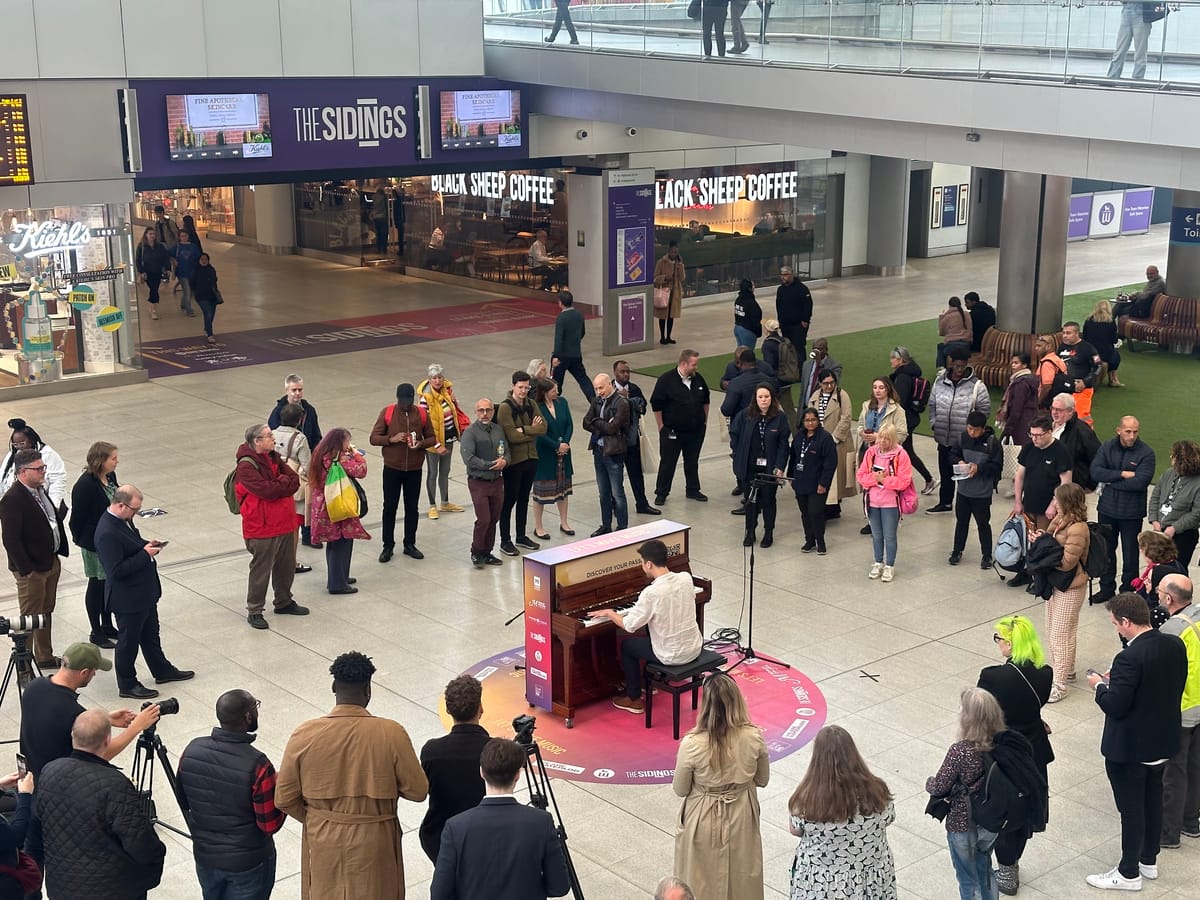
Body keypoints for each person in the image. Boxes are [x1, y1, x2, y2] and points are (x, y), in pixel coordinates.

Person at [276, 651, 429, 900]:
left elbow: (283, 797)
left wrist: (321, 818)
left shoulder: (304, 734)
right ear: (368, 690)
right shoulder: (391, 732)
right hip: (375, 838)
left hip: (323, 835)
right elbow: (418, 791)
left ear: (334, 686)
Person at [1086, 593, 1188, 891]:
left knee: (1131, 809)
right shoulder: (1173, 644)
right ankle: (1148, 859)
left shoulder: (1128, 657)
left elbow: (1115, 705)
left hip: (1131, 747)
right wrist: (1118, 679)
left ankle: (1128, 872)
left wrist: (1100, 686)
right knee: (1152, 800)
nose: (1116, 628)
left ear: (1127, 622)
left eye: (1116, 623)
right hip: (1162, 739)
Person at [27, 710, 166, 900]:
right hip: (113, 890)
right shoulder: (114, 784)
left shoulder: (50, 771)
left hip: (62, 888)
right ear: (107, 740)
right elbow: (141, 843)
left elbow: (35, 833)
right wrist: (156, 858)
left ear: (72, 736)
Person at [177, 689, 286, 900]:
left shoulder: (191, 750)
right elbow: (270, 825)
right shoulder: (259, 765)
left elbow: (183, 800)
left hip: (206, 858)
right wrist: (280, 790)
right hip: (248, 863)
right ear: (247, 717)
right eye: (256, 707)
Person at [431, 737, 570, 900]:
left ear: (481, 772)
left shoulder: (456, 827)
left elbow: (439, 894)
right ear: (518, 774)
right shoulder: (541, 822)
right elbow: (559, 887)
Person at [672, 672, 769, 899]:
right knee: (743, 876)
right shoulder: (753, 736)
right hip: (742, 811)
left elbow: (681, 789)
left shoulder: (692, 743)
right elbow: (763, 780)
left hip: (702, 814)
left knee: (698, 878)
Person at [977, 616, 1054, 895]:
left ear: (1009, 643)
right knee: (1022, 806)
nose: (997, 644)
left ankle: (1004, 867)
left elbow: (982, 713)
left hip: (1002, 752)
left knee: (1001, 805)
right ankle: (1011, 865)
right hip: (1033, 748)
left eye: (998, 639)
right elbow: (1032, 708)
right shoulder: (1045, 673)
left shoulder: (992, 676)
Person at [95, 484, 194, 699]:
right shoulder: (107, 532)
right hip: (127, 598)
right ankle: (127, 684)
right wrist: (145, 555)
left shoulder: (122, 520)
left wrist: (145, 544)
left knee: (150, 635)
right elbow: (116, 570)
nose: (137, 513)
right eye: (134, 509)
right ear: (121, 505)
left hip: (143, 593)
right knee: (128, 642)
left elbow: (130, 544)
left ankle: (162, 670)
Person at [589, 539, 703, 714]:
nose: (642, 566)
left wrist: (611, 613)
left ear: (648, 564)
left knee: (628, 646)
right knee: (652, 629)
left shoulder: (651, 592)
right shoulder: (685, 578)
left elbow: (629, 625)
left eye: (642, 562)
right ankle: (650, 680)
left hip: (672, 654)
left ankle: (633, 698)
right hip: (694, 647)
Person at [19, 642, 159, 779]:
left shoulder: (33, 687)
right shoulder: (73, 712)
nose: (94, 675)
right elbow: (101, 754)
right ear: (84, 672)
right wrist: (136, 727)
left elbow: (52, 721)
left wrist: (106, 719)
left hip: (30, 778)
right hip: (59, 785)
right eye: (94, 671)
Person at [787, 724, 896, 900]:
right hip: (869, 879)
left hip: (819, 883)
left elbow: (795, 830)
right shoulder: (878, 792)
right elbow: (889, 817)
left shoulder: (806, 800)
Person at [926, 688, 1005, 900]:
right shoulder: (1002, 744)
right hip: (991, 819)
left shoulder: (960, 751)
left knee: (967, 878)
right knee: (985, 867)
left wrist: (929, 783)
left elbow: (940, 786)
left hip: (963, 822)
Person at [236, 424, 309, 629]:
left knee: (286, 565)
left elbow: (294, 480)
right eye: (269, 436)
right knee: (261, 569)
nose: (273, 439)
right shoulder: (246, 466)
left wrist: (280, 484)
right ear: (256, 441)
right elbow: (266, 491)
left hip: (284, 521)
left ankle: (284, 601)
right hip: (261, 526)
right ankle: (255, 610)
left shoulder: (273, 456)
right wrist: (281, 485)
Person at [0, 449, 68, 668]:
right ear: (22, 471)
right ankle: (24, 664)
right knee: (29, 618)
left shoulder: (39, 490)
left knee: (46, 611)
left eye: (43, 467)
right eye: (38, 469)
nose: (43, 472)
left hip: (49, 561)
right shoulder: (13, 499)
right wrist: (27, 571)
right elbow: (11, 540)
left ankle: (45, 656)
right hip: (32, 570)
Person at [419, 675, 491, 863]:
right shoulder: (494, 751)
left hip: (440, 837)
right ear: (480, 709)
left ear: (448, 710)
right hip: (484, 839)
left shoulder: (431, 750)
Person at [1156, 574, 1200, 850]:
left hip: (1182, 710)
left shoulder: (1172, 629)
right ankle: (1191, 822)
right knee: (1196, 767)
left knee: (1174, 772)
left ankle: (1169, 833)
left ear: (1169, 598)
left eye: (1159, 592)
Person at [1036, 483, 1091, 702]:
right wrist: (1041, 539)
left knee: (1060, 634)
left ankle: (1059, 683)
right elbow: (1050, 539)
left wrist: (1044, 556)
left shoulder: (1078, 528)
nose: (1054, 503)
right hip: (1056, 583)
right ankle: (1068, 669)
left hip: (1070, 585)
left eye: (1057, 499)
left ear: (1067, 502)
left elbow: (1068, 562)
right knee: (1058, 629)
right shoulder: (1060, 519)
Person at [1091, 416, 1155, 603]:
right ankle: (1106, 587)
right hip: (1107, 510)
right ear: (1119, 430)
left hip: (1131, 513)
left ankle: (1128, 590)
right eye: (1128, 431)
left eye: (1135, 431)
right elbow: (1095, 471)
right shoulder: (1107, 447)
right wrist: (1121, 474)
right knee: (1106, 550)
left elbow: (1140, 482)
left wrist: (1110, 481)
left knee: (1130, 554)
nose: (1132, 436)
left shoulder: (1146, 453)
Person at [371, 383, 435, 564]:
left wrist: (420, 444)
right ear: (397, 398)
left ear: (413, 398)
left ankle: (409, 543)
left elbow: (432, 437)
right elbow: (374, 438)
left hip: (414, 469)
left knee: (412, 508)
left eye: (408, 400)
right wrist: (391, 439)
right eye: (402, 400)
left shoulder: (421, 414)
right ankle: (387, 545)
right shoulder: (388, 412)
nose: (405, 404)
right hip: (392, 468)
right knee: (389, 507)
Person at [1008, 414, 1072, 592]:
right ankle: (1025, 571)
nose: (1034, 439)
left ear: (1049, 432)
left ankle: (1042, 578)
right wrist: (1017, 501)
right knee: (1027, 541)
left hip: (1047, 509)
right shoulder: (1029, 448)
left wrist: (1054, 504)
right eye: (1032, 435)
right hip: (1029, 505)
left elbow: (1065, 482)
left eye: (1038, 435)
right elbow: (1020, 475)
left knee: (1044, 543)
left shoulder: (1060, 451)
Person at [68, 441, 121, 648]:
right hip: (94, 543)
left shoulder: (110, 477)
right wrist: (85, 541)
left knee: (109, 583)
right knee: (97, 584)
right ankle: (96, 630)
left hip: (112, 540)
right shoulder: (85, 485)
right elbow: (77, 519)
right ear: (101, 460)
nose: (117, 462)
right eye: (113, 458)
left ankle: (107, 624)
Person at [926, 347, 990, 515]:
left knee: (963, 473)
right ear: (951, 364)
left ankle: (965, 504)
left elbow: (984, 409)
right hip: (943, 436)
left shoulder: (977, 386)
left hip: (964, 440)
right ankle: (945, 502)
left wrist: (971, 431)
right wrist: (934, 423)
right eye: (957, 366)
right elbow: (932, 404)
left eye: (963, 366)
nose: (960, 369)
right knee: (945, 472)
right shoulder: (940, 382)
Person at [308, 429, 370, 594]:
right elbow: (361, 470)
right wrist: (356, 454)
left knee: (334, 541)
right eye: (347, 442)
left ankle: (340, 576)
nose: (348, 445)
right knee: (341, 541)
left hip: (323, 503)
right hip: (338, 502)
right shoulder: (339, 458)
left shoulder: (319, 454)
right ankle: (337, 583)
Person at [731, 386, 790, 548]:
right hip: (749, 467)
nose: (764, 400)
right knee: (750, 501)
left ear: (772, 398)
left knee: (768, 500)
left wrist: (779, 465)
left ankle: (768, 532)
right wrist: (737, 454)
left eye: (766, 396)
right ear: (755, 399)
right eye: (760, 397)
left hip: (769, 468)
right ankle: (750, 531)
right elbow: (734, 434)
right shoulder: (745, 415)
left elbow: (783, 445)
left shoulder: (780, 418)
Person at [268, 374, 323, 548]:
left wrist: (317, 453)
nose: (297, 393)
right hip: (289, 465)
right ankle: (290, 537)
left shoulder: (309, 410)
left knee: (307, 500)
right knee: (295, 502)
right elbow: (272, 436)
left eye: (300, 389)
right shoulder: (278, 412)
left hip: (306, 458)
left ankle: (308, 535)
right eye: (294, 390)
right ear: (287, 390)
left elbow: (316, 434)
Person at [497, 371, 548, 557]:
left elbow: (543, 427)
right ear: (513, 386)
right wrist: (531, 432)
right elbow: (512, 436)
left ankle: (520, 535)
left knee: (524, 498)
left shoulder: (531, 403)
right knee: (509, 500)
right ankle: (505, 540)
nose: (523, 391)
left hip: (531, 458)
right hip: (514, 462)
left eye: (526, 388)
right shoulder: (505, 408)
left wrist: (525, 429)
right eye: (520, 387)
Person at [652, 349, 710, 506]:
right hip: (672, 432)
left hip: (695, 431)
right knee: (668, 463)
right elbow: (656, 404)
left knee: (692, 461)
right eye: (693, 364)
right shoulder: (666, 380)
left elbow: (706, 400)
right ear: (684, 364)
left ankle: (692, 489)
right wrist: (661, 426)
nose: (696, 368)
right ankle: (661, 492)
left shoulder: (698, 380)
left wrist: (704, 421)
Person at [856, 423, 911, 583]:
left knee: (889, 536)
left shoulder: (901, 455)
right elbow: (861, 475)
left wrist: (885, 480)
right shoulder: (871, 452)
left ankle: (890, 565)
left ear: (893, 439)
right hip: (872, 501)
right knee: (876, 535)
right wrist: (874, 479)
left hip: (890, 503)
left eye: (887, 439)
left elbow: (904, 481)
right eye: (881, 438)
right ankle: (878, 562)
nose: (883, 442)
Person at [948, 410, 1002, 569]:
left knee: (983, 524)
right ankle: (957, 551)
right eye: (969, 428)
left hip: (982, 493)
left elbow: (997, 466)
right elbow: (951, 454)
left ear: (983, 428)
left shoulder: (992, 443)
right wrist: (959, 461)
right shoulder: (962, 438)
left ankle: (986, 555)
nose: (972, 432)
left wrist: (979, 468)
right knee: (961, 522)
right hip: (963, 491)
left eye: (975, 430)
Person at [461, 398, 510, 568]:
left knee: (494, 518)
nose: (484, 413)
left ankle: (487, 552)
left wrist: (505, 461)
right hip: (478, 482)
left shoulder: (498, 430)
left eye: (488, 410)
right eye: (481, 410)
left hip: (497, 481)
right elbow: (468, 458)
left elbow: (506, 452)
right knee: (484, 518)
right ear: (476, 412)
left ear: (493, 412)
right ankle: (476, 551)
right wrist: (488, 465)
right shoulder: (470, 433)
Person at [856, 378, 908, 536]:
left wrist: (879, 437)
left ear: (888, 390)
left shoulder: (897, 410)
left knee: (885, 486)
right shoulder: (867, 406)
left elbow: (901, 433)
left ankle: (888, 517)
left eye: (881, 388)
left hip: (887, 455)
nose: (877, 391)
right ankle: (871, 519)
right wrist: (863, 433)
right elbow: (859, 425)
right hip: (868, 452)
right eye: (875, 387)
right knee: (869, 485)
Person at [417, 364, 469, 519]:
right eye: (434, 378)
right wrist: (436, 444)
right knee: (433, 473)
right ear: (429, 379)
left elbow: (453, 412)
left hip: (449, 437)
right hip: (433, 442)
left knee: (445, 471)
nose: (438, 381)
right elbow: (423, 424)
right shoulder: (425, 398)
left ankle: (445, 502)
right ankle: (432, 505)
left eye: (440, 377)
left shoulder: (447, 391)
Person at [583, 373, 630, 537]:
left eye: (601, 387)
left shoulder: (621, 403)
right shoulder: (596, 401)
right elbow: (585, 422)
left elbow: (613, 428)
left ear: (609, 385)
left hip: (614, 452)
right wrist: (601, 423)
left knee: (617, 492)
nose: (598, 391)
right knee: (603, 492)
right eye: (596, 388)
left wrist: (596, 422)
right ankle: (606, 524)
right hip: (599, 451)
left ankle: (622, 526)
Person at [613, 359, 661, 515]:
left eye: (628, 371)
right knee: (615, 476)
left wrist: (631, 401)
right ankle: (614, 505)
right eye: (622, 371)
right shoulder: (608, 389)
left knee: (636, 474)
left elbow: (643, 408)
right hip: (614, 441)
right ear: (615, 373)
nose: (626, 374)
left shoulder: (634, 389)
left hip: (632, 440)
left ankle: (642, 503)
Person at [786, 406, 835, 554]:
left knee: (816, 513)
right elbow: (793, 457)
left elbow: (831, 463)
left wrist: (823, 483)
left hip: (817, 484)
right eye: (807, 420)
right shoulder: (799, 437)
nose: (810, 423)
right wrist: (791, 476)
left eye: (813, 420)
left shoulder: (825, 438)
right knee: (805, 513)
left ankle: (820, 542)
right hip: (800, 481)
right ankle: (809, 540)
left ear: (818, 421)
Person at [888, 346, 936, 494]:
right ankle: (928, 479)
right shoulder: (909, 373)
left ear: (901, 360)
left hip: (904, 421)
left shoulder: (902, 377)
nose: (891, 361)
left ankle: (900, 484)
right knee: (907, 451)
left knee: (896, 452)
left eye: (894, 358)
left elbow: (899, 402)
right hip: (911, 418)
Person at [807, 371, 854, 520]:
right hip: (819, 442)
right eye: (826, 383)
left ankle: (831, 507)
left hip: (837, 443)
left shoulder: (842, 395)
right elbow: (809, 417)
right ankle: (829, 507)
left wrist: (833, 438)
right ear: (820, 383)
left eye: (832, 382)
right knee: (823, 475)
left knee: (835, 476)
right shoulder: (815, 397)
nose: (829, 386)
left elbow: (846, 418)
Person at [532, 378, 574, 539]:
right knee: (541, 493)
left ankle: (564, 522)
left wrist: (565, 443)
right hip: (546, 454)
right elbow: (539, 432)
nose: (557, 392)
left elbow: (569, 424)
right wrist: (557, 445)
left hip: (564, 453)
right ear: (544, 392)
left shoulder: (562, 402)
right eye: (553, 390)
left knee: (563, 490)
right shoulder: (537, 408)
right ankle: (539, 526)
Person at [273, 402, 312, 576]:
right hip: (293, 488)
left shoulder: (271, 434)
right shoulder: (300, 438)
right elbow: (307, 466)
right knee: (293, 527)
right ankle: (291, 562)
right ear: (300, 419)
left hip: (275, 485)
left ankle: (275, 559)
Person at [1149, 439, 1200, 569]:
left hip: (1183, 536)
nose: (1171, 457)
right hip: (1160, 530)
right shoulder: (1168, 473)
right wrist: (1154, 520)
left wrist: (1174, 528)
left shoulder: (1197, 483)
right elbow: (1155, 497)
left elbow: (1196, 514)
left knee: (1176, 571)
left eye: (1174, 455)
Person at [1, 419, 66, 504]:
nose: (19, 447)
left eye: (22, 443)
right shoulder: (12, 455)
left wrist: (53, 505)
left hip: (41, 503)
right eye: (15, 445)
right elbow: (2, 477)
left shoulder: (48, 454)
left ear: (31, 440)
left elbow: (58, 481)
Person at [551, 290, 595, 402]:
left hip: (562, 356)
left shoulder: (561, 318)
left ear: (560, 302)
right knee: (582, 378)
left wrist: (556, 355)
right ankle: (593, 400)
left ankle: (555, 401)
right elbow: (582, 332)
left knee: (557, 381)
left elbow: (558, 338)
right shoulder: (579, 314)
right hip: (576, 354)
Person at [1057, 321, 1103, 425]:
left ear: (1077, 333)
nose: (1065, 336)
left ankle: (1087, 438)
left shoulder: (1088, 348)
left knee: (1082, 418)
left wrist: (1085, 382)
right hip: (1065, 387)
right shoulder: (1061, 347)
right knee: (1062, 417)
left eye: (1068, 333)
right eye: (1063, 333)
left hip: (1081, 389)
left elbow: (1099, 366)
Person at [1131, 531, 1186, 608]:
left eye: (1141, 549)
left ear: (1150, 552)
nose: (1140, 551)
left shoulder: (1159, 572)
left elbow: (1153, 600)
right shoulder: (1174, 563)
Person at [1106, 1, 1159, 79]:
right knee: (1120, 49)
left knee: (1140, 51)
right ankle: (1112, 76)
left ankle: (1137, 78)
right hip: (1126, 9)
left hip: (1141, 12)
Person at [996, 352, 1039, 447]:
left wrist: (1009, 428)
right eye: (1012, 363)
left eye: (1016, 363)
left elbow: (1017, 407)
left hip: (1020, 423)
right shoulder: (1030, 379)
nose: (1013, 365)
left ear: (1024, 365)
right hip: (1030, 418)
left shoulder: (1021, 382)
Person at [760, 320, 797, 430]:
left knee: (768, 409)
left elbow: (769, 365)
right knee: (789, 410)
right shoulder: (784, 341)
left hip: (775, 382)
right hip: (787, 378)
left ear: (767, 330)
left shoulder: (768, 345)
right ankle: (797, 434)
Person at [1084, 299, 1124, 387]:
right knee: (1115, 356)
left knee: (1112, 355)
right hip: (1104, 354)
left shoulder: (1088, 320)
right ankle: (1113, 379)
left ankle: (1112, 379)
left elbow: (1085, 337)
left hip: (1091, 352)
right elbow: (1113, 340)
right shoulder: (1110, 322)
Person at [775, 265, 812, 356]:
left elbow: (808, 305)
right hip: (785, 324)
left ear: (792, 275)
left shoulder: (802, 289)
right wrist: (780, 320)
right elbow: (778, 305)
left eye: (786, 274)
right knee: (787, 347)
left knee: (799, 347)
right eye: (781, 275)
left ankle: (801, 367)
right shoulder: (780, 290)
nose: (783, 277)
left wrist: (805, 320)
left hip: (798, 325)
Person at [653, 241, 685, 345]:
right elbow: (656, 277)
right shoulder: (661, 262)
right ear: (669, 252)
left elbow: (682, 277)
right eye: (672, 252)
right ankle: (662, 336)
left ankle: (669, 336)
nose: (674, 254)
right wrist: (665, 278)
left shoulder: (678, 263)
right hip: (664, 292)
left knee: (671, 316)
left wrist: (680, 265)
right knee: (663, 316)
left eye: (676, 252)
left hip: (674, 292)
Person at [134, 226, 169, 319]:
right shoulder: (141, 246)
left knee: (154, 289)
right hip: (147, 272)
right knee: (153, 289)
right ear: (146, 235)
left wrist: (167, 268)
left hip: (157, 271)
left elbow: (165, 257)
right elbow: (138, 260)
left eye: (154, 234)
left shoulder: (160, 246)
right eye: (150, 234)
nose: (152, 236)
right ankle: (153, 308)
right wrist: (141, 271)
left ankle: (152, 308)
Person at [798, 337, 841, 411]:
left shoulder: (835, 366)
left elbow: (832, 385)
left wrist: (820, 364)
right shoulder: (806, 364)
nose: (817, 352)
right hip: (806, 407)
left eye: (820, 349)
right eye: (815, 349)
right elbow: (803, 389)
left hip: (822, 408)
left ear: (826, 349)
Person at [191, 252, 221, 344]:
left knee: (211, 315)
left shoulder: (211, 269)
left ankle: (206, 328)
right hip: (201, 296)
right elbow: (192, 283)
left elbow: (215, 280)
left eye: (206, 260)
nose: (204, 261)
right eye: (202, 260)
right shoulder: (195, 271)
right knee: (207, 313)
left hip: (212, 296)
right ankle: (210, 334)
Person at [936, 296, 973, 369]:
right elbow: (970, 329)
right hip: (965, 345)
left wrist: (941, 317)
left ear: (949, 305)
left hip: (952, 345)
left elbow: (942, 333)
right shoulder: (966, 314)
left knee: (940, 347)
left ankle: (941, 367)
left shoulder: (947, 317)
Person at [1033, 334, 1068, 410]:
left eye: (1039, 346)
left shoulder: (1047, 363)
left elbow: (1046, 387)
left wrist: (1038, 402)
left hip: (1048, 403)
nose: (1036, 348)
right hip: (1059, 400)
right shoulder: (1056, 359)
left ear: (1048, 347)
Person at [172, 228, 200, 317]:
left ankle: (183, 304)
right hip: (181, 272)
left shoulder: (193, 247)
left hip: (192, 272)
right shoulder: (177, 247)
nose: (184, 238)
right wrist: (173, 261)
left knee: (188, 290)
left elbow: (198, 258)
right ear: (179, 237)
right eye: (182, 236)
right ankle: (189, 309)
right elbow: (167, 254)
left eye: (185, 236)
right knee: (187, 290)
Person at [732, 278, 762, 350]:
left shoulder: (738, 299)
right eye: (753, 285)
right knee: (747, 355)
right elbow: (755, 320)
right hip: (747, 330)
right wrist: (758, 332)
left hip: (738, 327)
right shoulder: (751, 303)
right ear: (749, 288)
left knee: (741, 353)